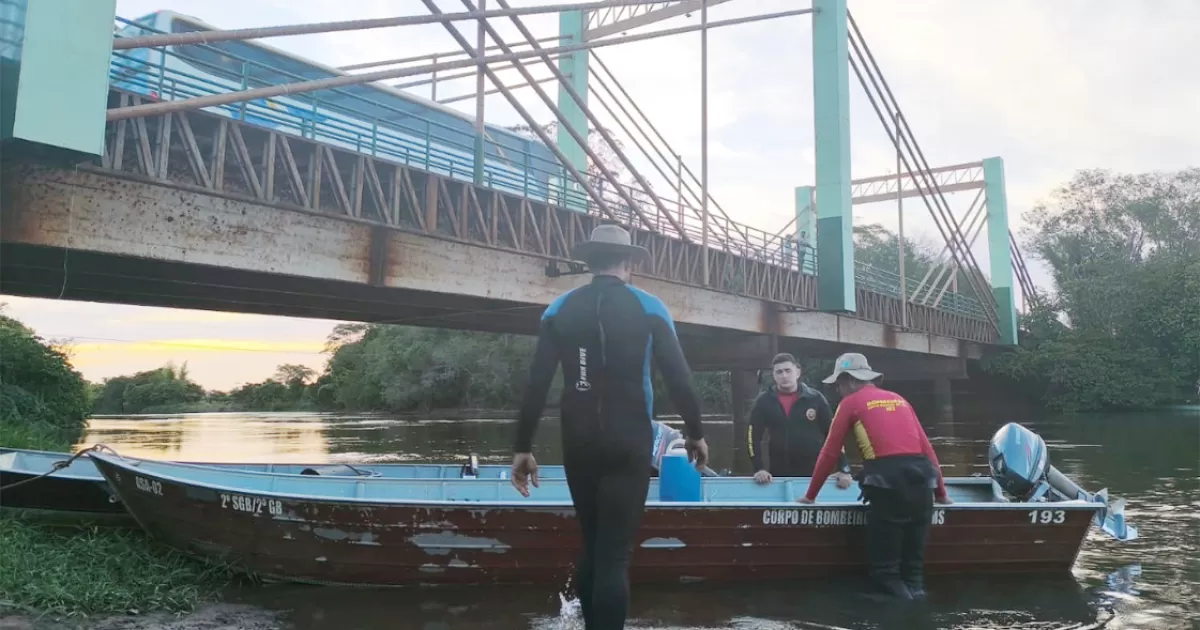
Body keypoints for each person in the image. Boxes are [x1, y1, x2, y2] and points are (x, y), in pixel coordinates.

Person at [510, 224, 709, 630]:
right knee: (615, 554)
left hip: (578, 440)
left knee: (594, 544)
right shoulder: (650, 307)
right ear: (630, 261)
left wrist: (522, 447)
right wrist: (695, 432)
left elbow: (537, 382)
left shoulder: (559, 309)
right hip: (630, 439)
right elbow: (678, 377)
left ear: (589, 261)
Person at [798, 353, 952, 601]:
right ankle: (919, 610)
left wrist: (809, 496)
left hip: (888, 486)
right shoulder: (899, 399)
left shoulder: (850, 403)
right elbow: (928, 450)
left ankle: (900, 614)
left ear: (848, 380)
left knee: (886, 573)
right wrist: (942, 494)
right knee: (913, 573)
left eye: (838, 384)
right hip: (923, 483)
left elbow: (830, 452)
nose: (837, 389)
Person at [748, 353, 852, 489]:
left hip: (812, 471)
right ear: (774, 375)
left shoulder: (815, 399)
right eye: (779, 372)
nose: (784, 376)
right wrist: (759, 469)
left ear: (797, 372)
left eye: (787, 371)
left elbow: (833, 435)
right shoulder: (764, 402)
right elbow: (752, 438)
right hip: (778, 473)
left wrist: (844, 469)